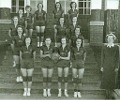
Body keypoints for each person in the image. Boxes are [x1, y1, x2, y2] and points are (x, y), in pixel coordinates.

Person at [101, 33, 119, 99]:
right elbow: (102, 57)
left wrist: (117, 67)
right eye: (108, 38)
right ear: (107, 39)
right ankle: (107, 96)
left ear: (113, 39)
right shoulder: (104, 47)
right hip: (106, 66)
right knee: (106, 80)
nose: (110, 40)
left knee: (112, 81)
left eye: (111, 38)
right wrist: (102, 66)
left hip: (113, 67)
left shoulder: (116, 47)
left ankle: (111, 96)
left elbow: (117, 58)